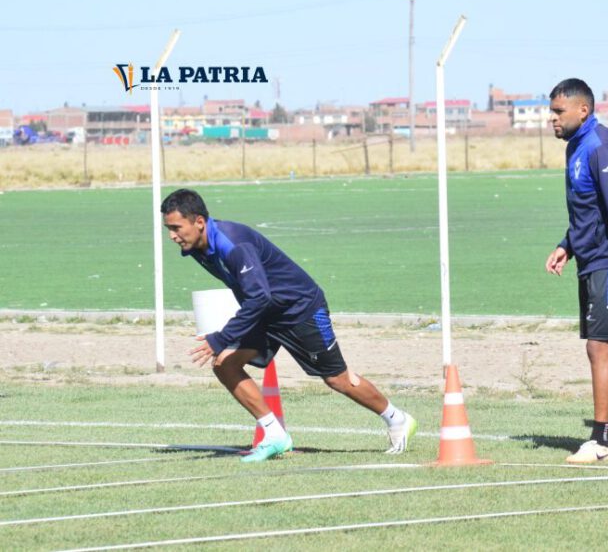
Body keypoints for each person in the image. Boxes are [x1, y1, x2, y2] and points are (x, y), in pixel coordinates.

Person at [161, 189, 417, 462]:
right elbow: (256, 296)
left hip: (301, 309)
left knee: (337, 379)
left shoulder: (233, 244)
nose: (172, 236)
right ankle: (275, 435)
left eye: (176, 228)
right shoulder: (198, 247)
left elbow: (259, 296)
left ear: (199, 221)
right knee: (225, 363)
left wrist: (222, 337)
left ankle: (397, 419)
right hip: (266, 313)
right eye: (168, 229)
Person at [544, 78, 608, 463]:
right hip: (590, 261)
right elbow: (589, 209)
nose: (551, 119)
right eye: (551, 111)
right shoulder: (577, 147)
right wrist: (566, 245)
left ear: (582, 110)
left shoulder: (600, 146)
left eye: (558, 112)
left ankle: (600, 440)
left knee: (598, 347)